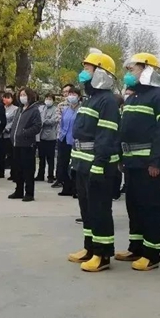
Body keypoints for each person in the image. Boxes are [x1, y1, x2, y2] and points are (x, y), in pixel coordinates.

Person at [115, 52, 160, 271]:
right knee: (134, 207)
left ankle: (151, 254)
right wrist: (121, 156)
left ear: (146, 69)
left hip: (150, 166)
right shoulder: (133, 97)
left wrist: (156, 162)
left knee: (151, 209)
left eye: (132, 69)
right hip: (132, 164)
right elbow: (125, 129)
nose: (128, 73)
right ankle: (136, 247)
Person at [66, 50, 121, 273]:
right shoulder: (91, 100)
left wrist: (99, 164)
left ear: (101, 73)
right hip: (83, 164)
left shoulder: (107, 101)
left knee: (100, 210)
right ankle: (89, 248)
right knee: (87, 209)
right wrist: (74, 161)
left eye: (88, 69)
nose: (84, 73)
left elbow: (106, 136)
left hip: (98, 165)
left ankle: (102, 254)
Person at [8, 88, 42, 201]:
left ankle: (29, 193)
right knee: (18, 169)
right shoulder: (20, 109)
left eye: (24, 95)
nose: (22, 97)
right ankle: (18, 190)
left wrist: (25, 133)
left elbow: (37, 126)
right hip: (16, 143)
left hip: (27, 144)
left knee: (28, 169)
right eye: (21, 95)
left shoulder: (34, 110)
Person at [56, 85, 80, 197]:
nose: (71, 96)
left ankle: (76, 188)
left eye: (74, 94)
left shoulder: (81, 110)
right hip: (63, 139)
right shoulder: (65, 109)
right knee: (63, 164)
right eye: (70, 94)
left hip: (75, 140)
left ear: (79, 96)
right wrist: (61, 135)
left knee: (74, 165)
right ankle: (66, 187)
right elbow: (61, 123)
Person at [36, 93, 59, 183]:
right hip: (41, 136)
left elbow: (53, 121)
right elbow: (38, 118)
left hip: (50, 137)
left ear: (53, 100)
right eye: (46, 98)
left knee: (50, 158)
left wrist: (43, 121)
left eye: (50, 99)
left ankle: (50, 176)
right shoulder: (41, 108)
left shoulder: (55, 109)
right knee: (41, 157)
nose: (48, 100)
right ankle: (40, 175)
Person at [0, 92, 18, 179]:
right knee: (0, 154)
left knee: (11, 154)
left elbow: (14, 121)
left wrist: (6, 128)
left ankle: (13, 174)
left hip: (9, 134)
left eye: (8, 97)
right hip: (0, 134)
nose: (6, 99)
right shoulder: (1, 108)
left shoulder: (15, 109)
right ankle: (0, 172)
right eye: (4, 97)